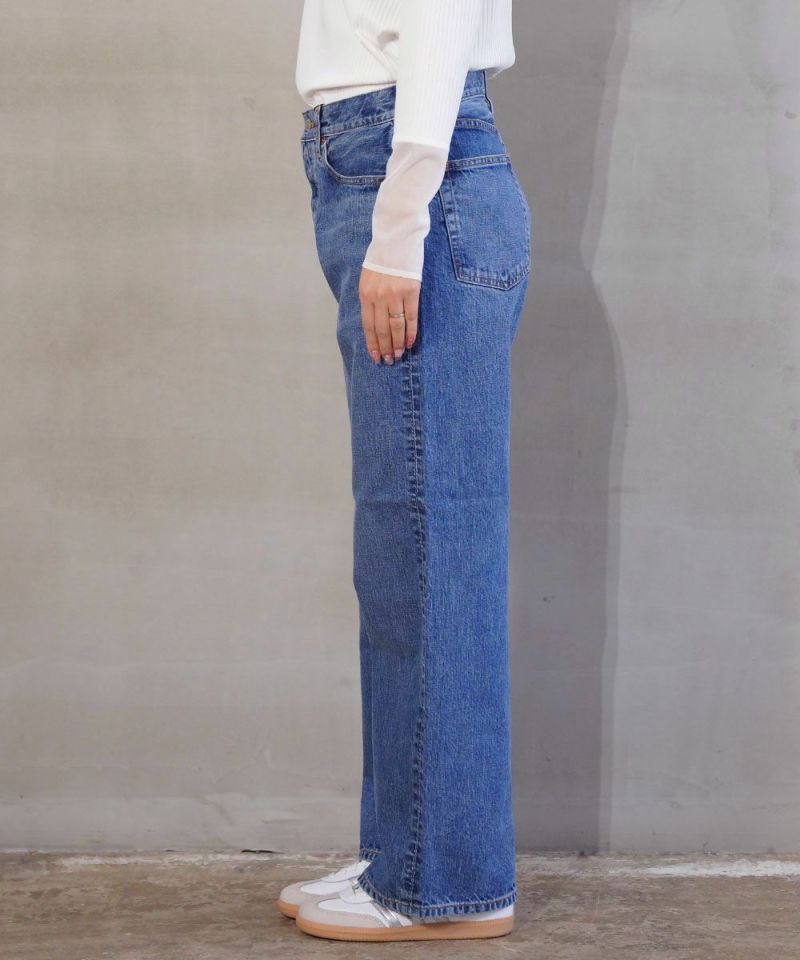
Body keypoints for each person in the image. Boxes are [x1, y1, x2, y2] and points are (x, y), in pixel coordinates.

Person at [278, 0, 531, 943]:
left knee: (433, 550)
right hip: (383, 159)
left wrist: (400, 220)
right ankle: (405, 851)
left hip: (417, 169)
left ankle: (445, 882)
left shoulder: (412, 192)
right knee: (402, 555)